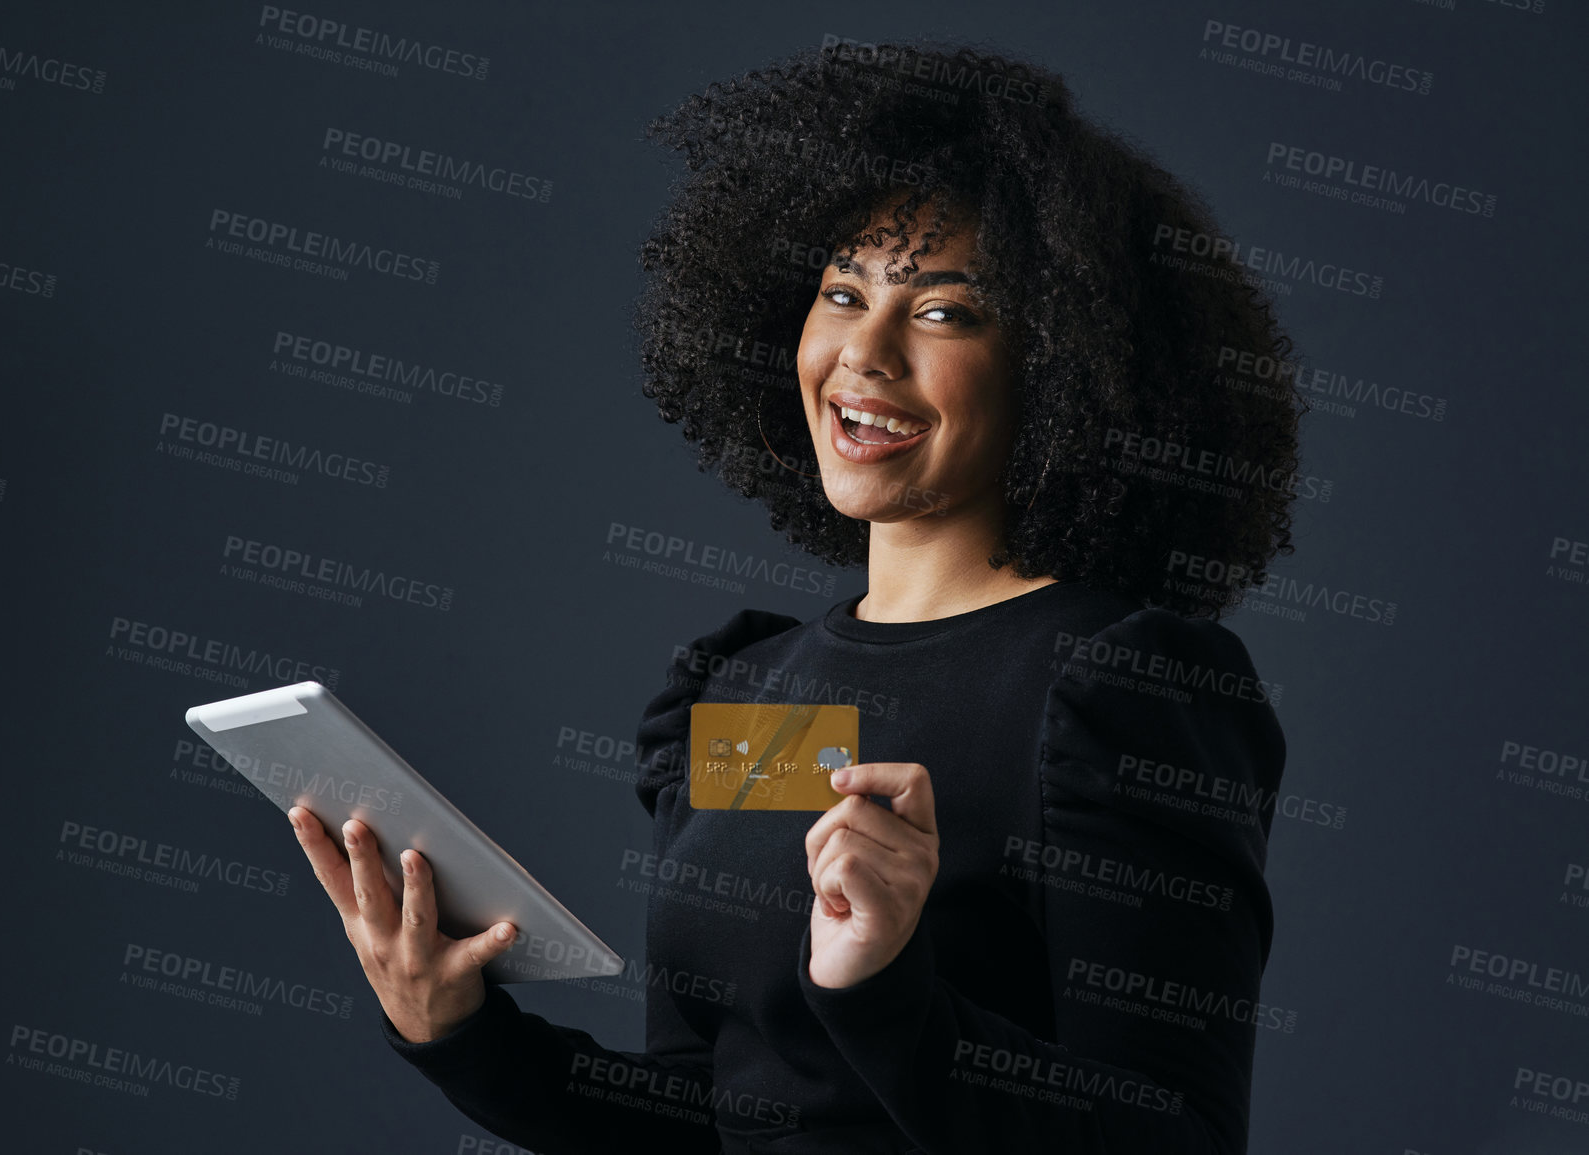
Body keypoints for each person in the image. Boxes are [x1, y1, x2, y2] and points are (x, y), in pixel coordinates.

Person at [288, 38, 1300, 1155]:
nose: (864, 352)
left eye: (945, 312)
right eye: (841, 293)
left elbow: (1177, 1139)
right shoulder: (746, 695)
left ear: (1064, 369)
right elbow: (710, 1115)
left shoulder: (1124, 686)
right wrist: (460, 1031)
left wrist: (885, 993)